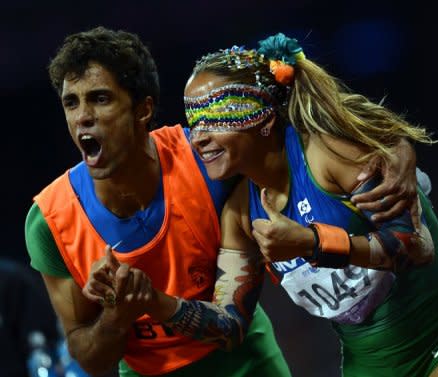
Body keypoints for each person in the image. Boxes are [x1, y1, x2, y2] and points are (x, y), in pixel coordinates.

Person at [85, 32, 438, 376]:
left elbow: (415, 246)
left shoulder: (326, 153)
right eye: (195, 121)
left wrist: (311, 242)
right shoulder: (240, 214)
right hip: (370, 365)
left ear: (265, 118)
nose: (200, 136)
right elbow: (229, 325)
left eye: (219, 117)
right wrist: (151, 302)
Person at [24, 26, 293, 377]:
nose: (82, 117)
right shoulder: (49, 222)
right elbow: (91, 360)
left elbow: (231, 327)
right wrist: (116, 314)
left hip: (251, 366)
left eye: (100, 98)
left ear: (143, 109)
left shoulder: (209, 165)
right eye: (71, 103)